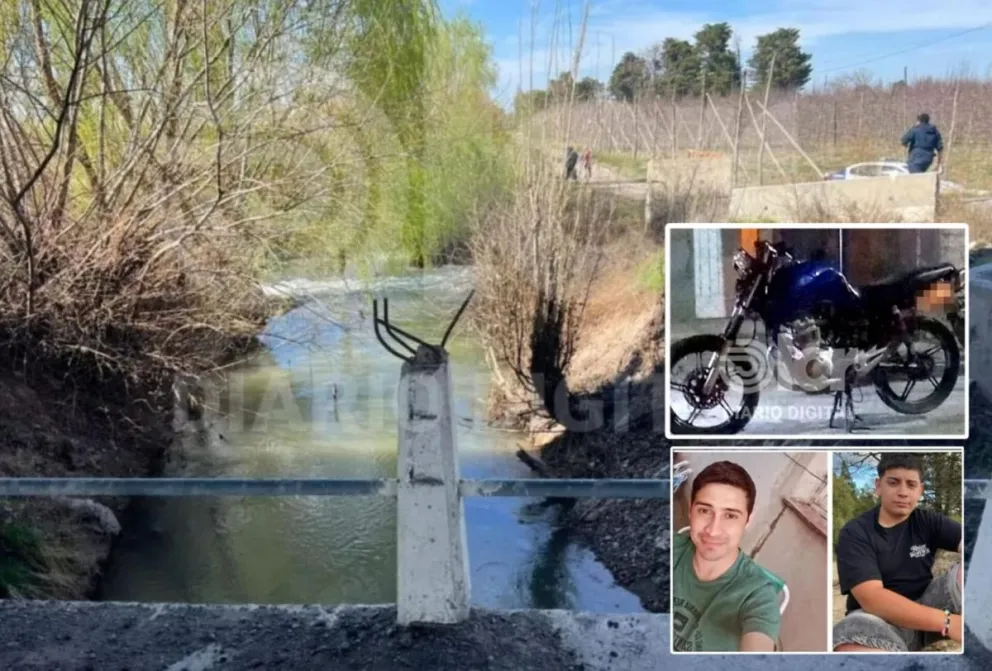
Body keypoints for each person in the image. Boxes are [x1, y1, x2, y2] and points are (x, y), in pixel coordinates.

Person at [833, 453, 963, 652]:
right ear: (878, 486)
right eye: (893, 483)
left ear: (920, 490)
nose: (903, 492)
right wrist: (947, 622)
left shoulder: (928, 521)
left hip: (930, 603)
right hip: (878, 620)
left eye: (911, 485)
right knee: (849, 642)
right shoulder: (855, 533)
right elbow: (872, 599)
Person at [672, 460, 781, 652]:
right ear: (690, 510)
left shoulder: (757, 593)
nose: (713, 530)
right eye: (705, 511)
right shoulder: (671, 548)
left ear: (747, 521)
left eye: (730, 515)